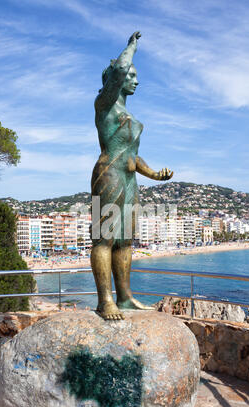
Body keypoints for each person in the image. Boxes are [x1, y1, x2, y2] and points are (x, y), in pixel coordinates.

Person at [91, 32, 173, 320]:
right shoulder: (104, 105)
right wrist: (132, 47)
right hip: (109, 175)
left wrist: (153, 173)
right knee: (104, 239)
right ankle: (105, 301)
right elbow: (120, 71)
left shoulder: (126, 112)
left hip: (128, 178)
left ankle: (124, 297)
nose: (136, 81)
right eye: (132, 75)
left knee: (125, 241)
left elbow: (132, 156)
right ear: (117, 78)